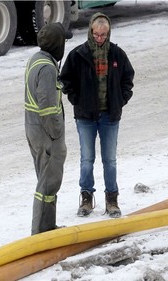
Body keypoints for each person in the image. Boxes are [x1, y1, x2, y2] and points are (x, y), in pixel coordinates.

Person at [60, 13, 135, 218]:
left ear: (108, 33)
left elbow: (128, 79)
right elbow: (65, 80)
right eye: (96, 34)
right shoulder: (78, 55)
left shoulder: (117, 55)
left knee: (109, 160)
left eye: (103, 35)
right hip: (85, 117)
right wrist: (77, 99)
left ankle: (112, 199)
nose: (100, 38)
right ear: (90, 32)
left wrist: (121, 100)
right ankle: (86, 198)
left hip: (110, 117)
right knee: (87, 159)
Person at [25, 22, 72, 235]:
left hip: (34, 128)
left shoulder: (36, 60)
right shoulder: (47, 68)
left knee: (46, 182)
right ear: (57, 45)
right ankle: (40, 234)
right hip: (46, 132)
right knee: (47, 185)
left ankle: (47, 228)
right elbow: (46, 105)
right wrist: (56, 133)